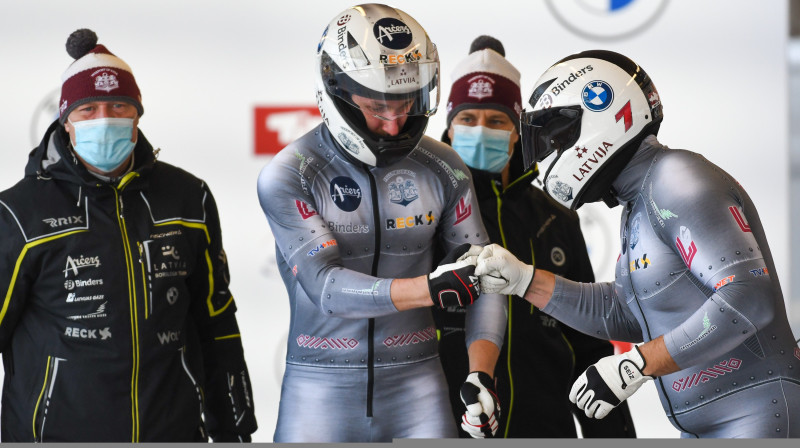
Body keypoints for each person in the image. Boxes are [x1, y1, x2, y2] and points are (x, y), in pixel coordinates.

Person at [474, 49, 800, 438]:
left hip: (756, 413)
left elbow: (748, 296)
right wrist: (526, 281)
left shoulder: (676, 178)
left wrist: (637, 364)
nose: (548, 156)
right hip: (715, 422)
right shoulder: (641, 198)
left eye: (557, 138)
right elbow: (629, 315)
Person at [257, 4, 507, 442]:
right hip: (318, 389)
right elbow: (326, 288)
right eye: (377, 107)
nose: (394, 125)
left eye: (406, 103)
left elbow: (485, 277)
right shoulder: (289, 171)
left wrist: (480, 373)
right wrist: (428, 289)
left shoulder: (444, 165)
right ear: (336, 92)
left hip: (418, 385)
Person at [0, 29, 257, 442]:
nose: (105, 119)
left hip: (172, 432)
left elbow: (216, 322)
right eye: (89, 109)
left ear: (137, 115)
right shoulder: (17, 212)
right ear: (65, 122)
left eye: (119, 105)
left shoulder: (189, 198)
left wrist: (235, 427)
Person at [433, 36, 635, 438]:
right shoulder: (427, 214)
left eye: (496, 121)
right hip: (447, 424)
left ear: (517, 130)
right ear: (449, 129)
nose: (480, 131)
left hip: (544, 427)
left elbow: (588, 342)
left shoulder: (555, 216)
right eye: (467, 119)